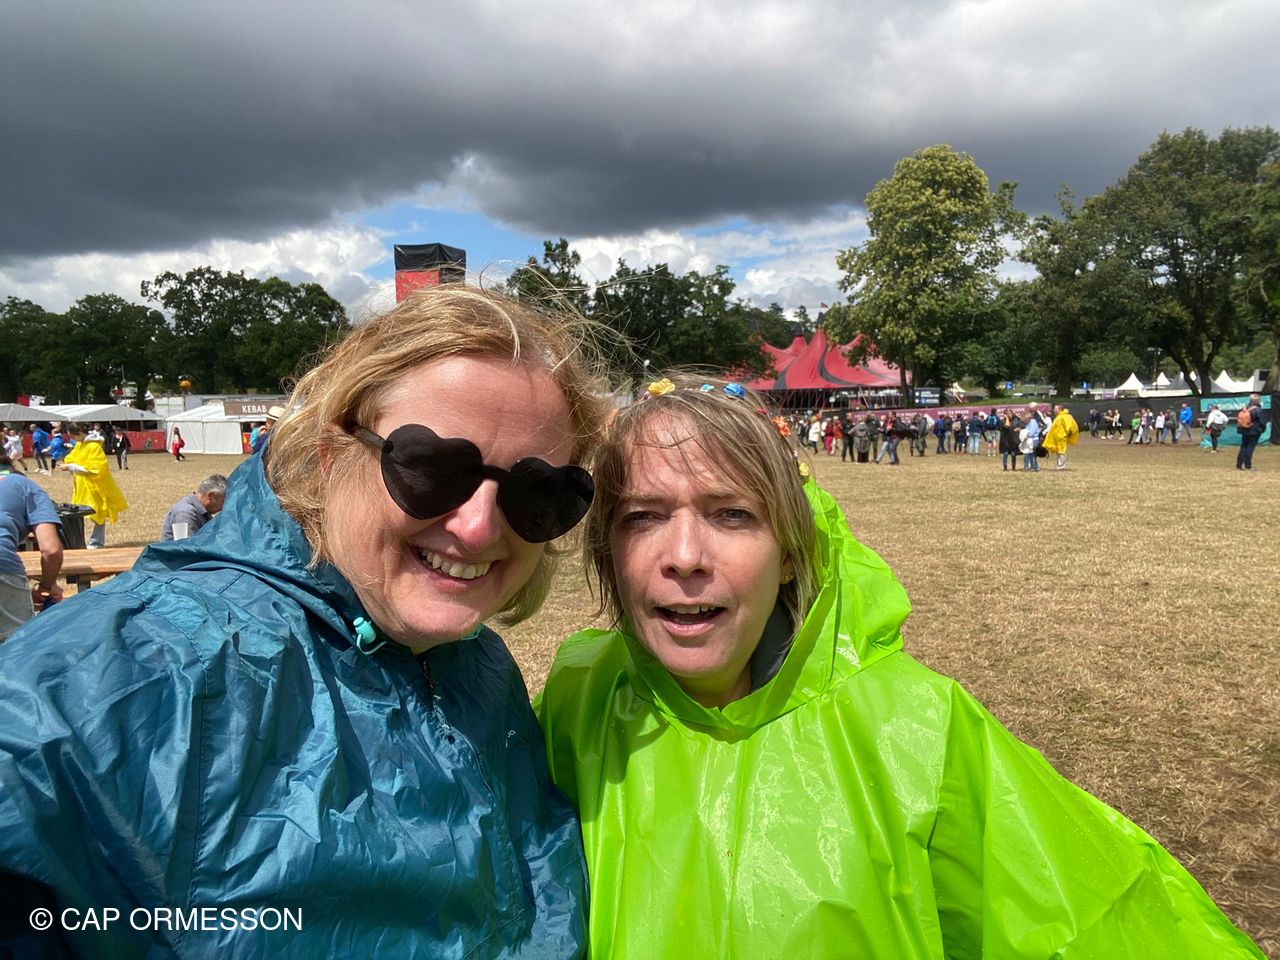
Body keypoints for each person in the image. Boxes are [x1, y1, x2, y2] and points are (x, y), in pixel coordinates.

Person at [536, 374, 1265, 959]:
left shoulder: (918, 731)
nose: (685, 556)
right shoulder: (576, 702)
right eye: (643, 517)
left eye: (732, 514)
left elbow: (1099, 922)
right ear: (608, 551)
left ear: (790, 551)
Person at [0, 286, 606, 957]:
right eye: (433, 468)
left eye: (537, 492)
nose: (480, 528)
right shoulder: (111, 678)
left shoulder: (481, 665)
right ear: (329, 456)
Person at [0, 451, 62, 642]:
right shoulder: (24, 485)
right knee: (16, 645)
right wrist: (46, 585)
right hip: (3, 566)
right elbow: (51, 550)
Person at [58, 423, 128, 548]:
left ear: (79, 433)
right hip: (82, 486)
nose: (72, 439)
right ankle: (79, 541)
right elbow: (72, 458)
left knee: (98, 512)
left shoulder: (93, 446)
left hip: (94, 486)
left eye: (73, 436)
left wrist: (72, 467)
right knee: (77, 512)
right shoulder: (80, 445)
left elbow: (98, 468)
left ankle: (96, 542)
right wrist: (68, 463)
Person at [160, 473, 228, 540]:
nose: (223, 507)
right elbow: (185, 545)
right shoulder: (185, 513)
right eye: (223, 501)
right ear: (210, 496)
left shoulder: (204, 512)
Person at [1042, 404, 1080, 470]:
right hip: (1057, 437)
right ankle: (1060, 464)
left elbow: (1070, 425)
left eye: (1055, 409)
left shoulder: (1064, 416)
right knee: (1058, 451)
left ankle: (1061, 465)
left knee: (1061, 451)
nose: (1054, 410)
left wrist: (1067, 433)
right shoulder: (1059, 417)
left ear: (1060, 409)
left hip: (1061, 437)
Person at [1235, 393, 1265, 471]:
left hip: (1244, 429)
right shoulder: (1257, 410)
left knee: (1243, 447)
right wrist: (1262, 429)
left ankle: (1239, 465)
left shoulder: (1245, 408)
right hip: (1254, 431)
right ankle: (1248, 466)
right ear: (1257, 401)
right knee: (1250, 448)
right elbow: (1262, 421)